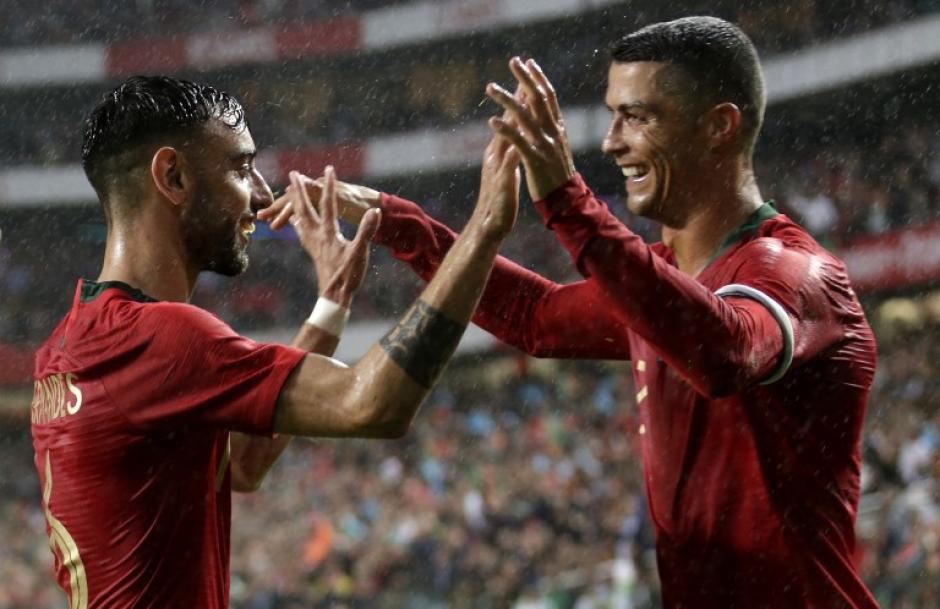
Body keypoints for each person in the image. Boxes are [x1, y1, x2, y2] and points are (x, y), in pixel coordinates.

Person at [266, 16, 880, 609]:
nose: (612, 142)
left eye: (638, 117)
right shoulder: (664, 283)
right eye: (613, 116)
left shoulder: (796, 274)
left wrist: (567, 200)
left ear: (719, 126)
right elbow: (535, 316)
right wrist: (395, 222)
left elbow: (722, 351)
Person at [30, 75, 521, 608]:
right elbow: (371, 405)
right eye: (240, 168)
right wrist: (482, 231)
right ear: (172, 176)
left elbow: (239, 464)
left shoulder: (70, 341)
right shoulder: (159, 338)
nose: (261, 193)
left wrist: (330, 306)